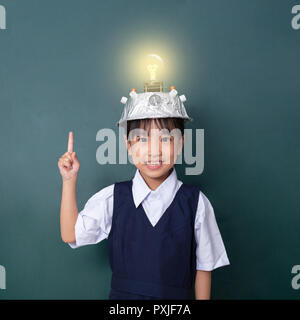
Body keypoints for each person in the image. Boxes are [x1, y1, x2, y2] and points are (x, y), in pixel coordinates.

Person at [58, 88, 230, 300]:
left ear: (181, 143)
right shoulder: (113, 198)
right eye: (142, 139)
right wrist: (69, 180)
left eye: (166, 139)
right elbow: (70, 234)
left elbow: (204, 267)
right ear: (128, 145)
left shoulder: (196, 203)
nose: (154, 151)